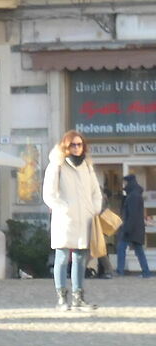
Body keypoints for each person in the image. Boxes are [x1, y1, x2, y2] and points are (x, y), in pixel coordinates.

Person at [44, 129, 101, 312]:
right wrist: (63, 208)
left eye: (79, 144)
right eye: (73, 145)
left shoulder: (87, 166)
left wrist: (94, 209)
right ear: (66, 146)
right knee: (61, 257)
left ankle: (78, 297)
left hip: (84, 218)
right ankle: (61, 298)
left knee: (80, 258)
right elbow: (49, 194)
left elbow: (96, 192)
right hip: (64, 220)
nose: (77, 148)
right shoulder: (57, 165)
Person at [119, 170, 151, 277]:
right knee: (138, 250)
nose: (124, 185)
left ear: (129, 183)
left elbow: (132, 214)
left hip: (131, 229)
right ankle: (146, 272)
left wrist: (127, 229)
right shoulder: (134, 194)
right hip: (136, 228)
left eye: (125, 183)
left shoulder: (133, 196)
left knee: (121, 248)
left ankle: (120, 271)